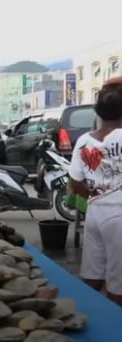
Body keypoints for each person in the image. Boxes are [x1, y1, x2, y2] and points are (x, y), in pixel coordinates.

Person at [69, 77, 122, 306]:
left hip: (94, 212)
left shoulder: (83, 141)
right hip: (119, 217)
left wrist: (94, 195)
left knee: (93, 274)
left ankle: (89, 315)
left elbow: (75, 182)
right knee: (118, 282)